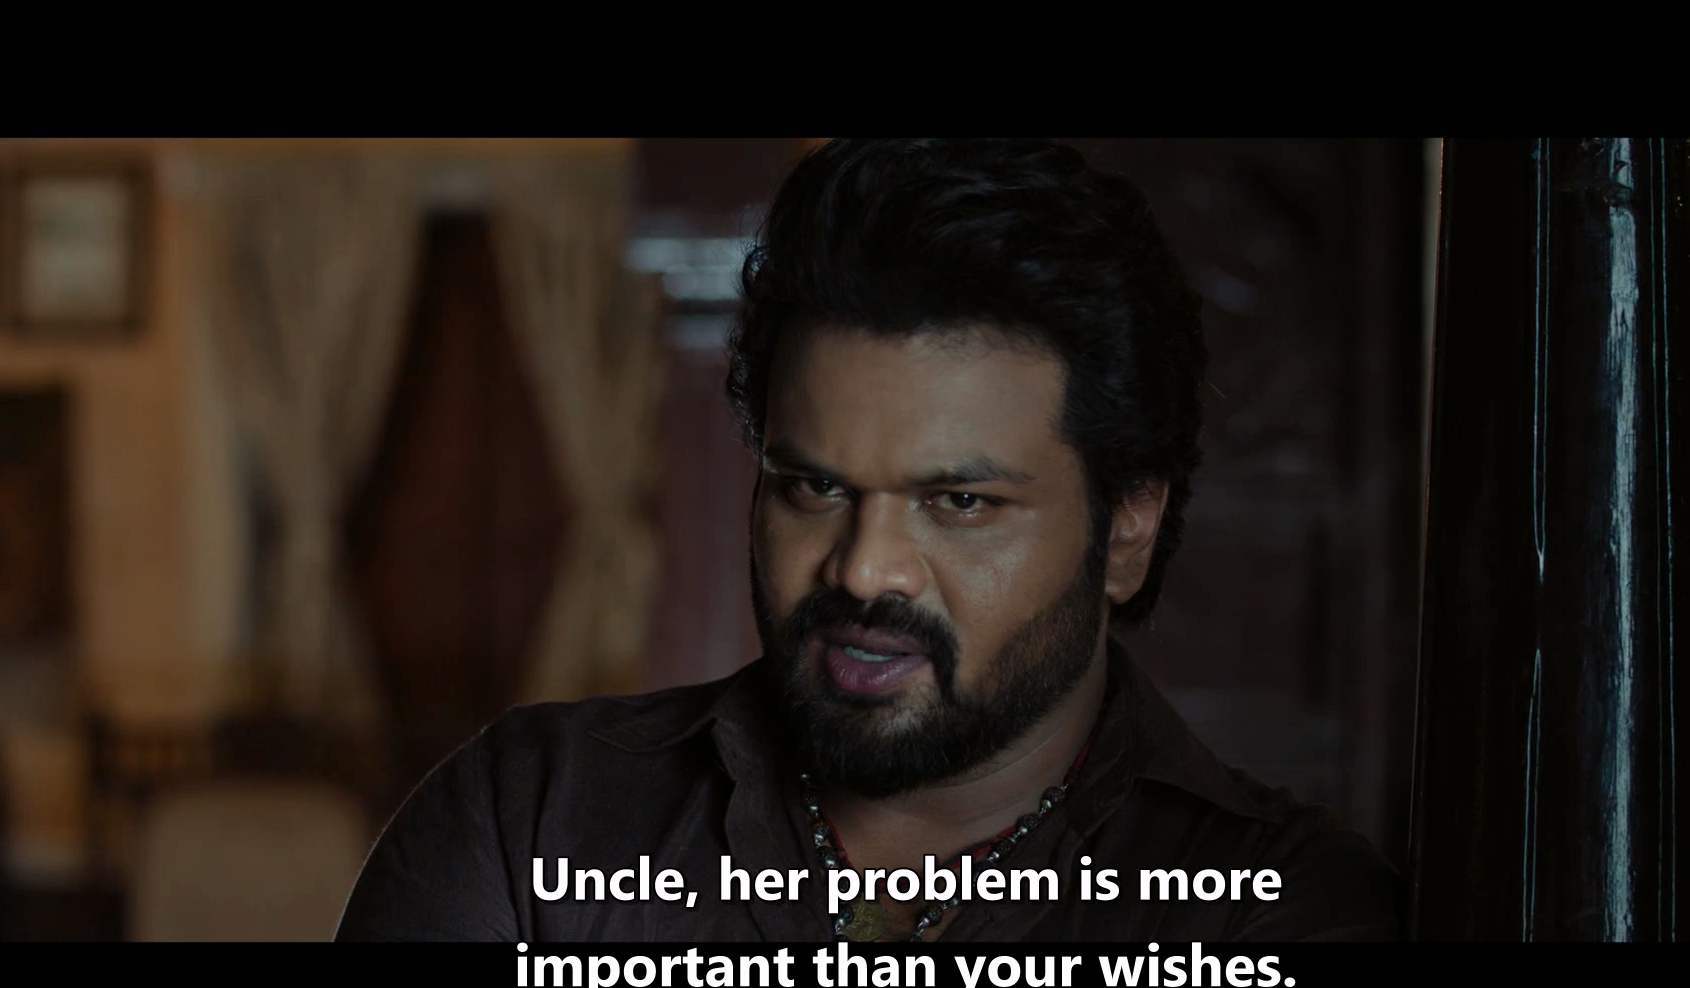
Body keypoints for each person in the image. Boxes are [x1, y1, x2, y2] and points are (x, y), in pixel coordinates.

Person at [335, 138, 1399, 943]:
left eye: (960, 502)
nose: (863, 567)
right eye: (814, 487)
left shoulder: (1281, 912)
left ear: (1126, 529)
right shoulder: (536, 823)